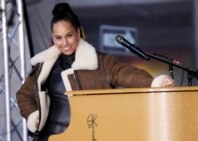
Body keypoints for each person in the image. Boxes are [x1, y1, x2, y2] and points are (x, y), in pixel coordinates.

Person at [16, 3, 174, 141]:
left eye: (69, 36)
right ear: (52, 39)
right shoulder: (44, 66)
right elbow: (23, 95)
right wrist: (33, 116)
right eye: (58, 38)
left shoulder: (100, 62)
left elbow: (126, 73)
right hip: (48, 137)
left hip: (86, 135)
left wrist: (155, 82)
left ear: (78, 33)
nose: (64, 43)